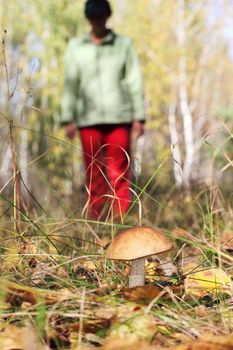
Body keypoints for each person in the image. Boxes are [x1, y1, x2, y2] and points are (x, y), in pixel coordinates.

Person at [61, 0, 145, 220]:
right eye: (93, 16)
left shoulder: (123, 45)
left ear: (107, 16)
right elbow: (71, 83)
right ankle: (96, 223)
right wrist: (67, 117)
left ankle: (120, 222)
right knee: (94, 174)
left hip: (120, 117)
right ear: (87, 18)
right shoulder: (76, 48)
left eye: (101, 15)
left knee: (119, 172)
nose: (97, 20)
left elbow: (134, 80)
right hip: (88, 120)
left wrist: (139, 116)